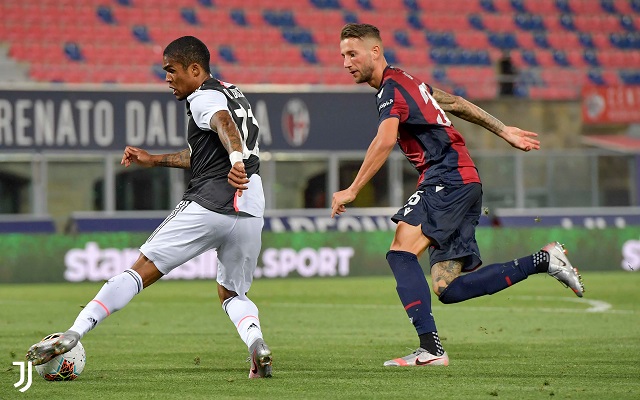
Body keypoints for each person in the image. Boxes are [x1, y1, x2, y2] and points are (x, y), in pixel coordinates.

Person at [332, 23, 584, 367]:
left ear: (375, 51)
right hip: (463, 180)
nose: (345, 62)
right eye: (342, 55)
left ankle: (432, 350)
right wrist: (503, 129)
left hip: (447, 177)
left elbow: (386, 139)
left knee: (401, 254)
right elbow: (456, 103)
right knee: (447, 288)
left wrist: (353, 189)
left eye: (352, 53)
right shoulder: (410, 82)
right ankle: (544, 260)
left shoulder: (391, 89)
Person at [26, 36, 272, 379]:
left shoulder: (204, 97)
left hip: (210, 204)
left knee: (139, 271)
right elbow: (206, 151)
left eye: (171, 70)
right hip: (250, 208)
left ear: (195, 69)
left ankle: (73, 333)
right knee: (232, 292)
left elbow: (223, 125)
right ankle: (257, 344)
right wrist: (154, 159)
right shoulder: (232, 91)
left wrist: (235, 159)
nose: (167, 78)